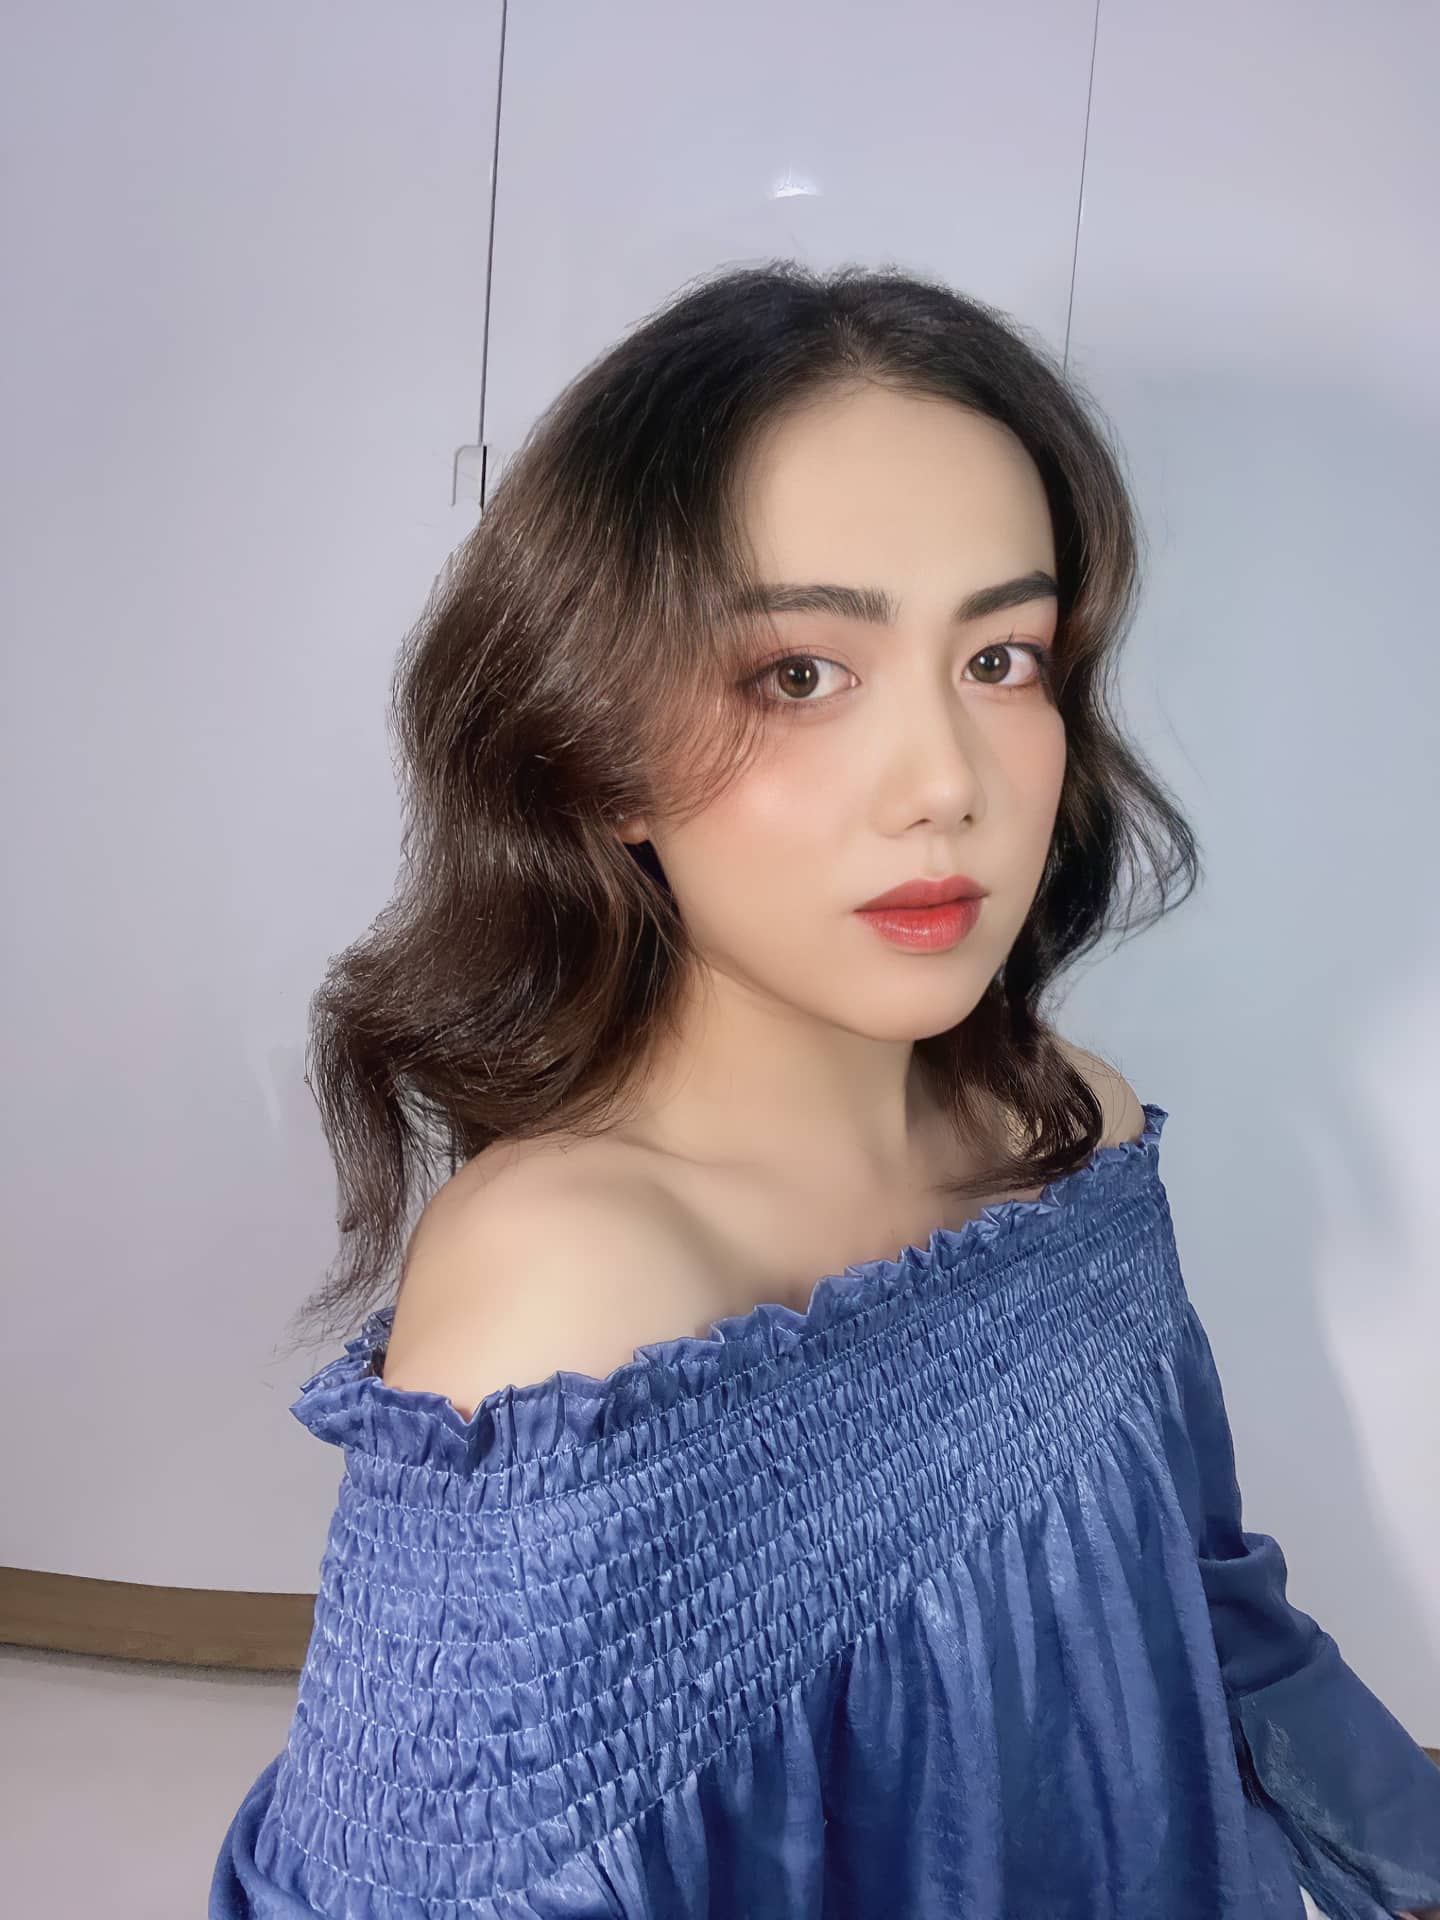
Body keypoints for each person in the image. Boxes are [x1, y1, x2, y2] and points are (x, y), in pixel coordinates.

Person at [209, 262, 1440, 1918]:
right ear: (599, 746)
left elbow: (1203, 1614)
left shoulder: (1069, 1131)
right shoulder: (573, 1295)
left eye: (1002, 659)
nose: (946, 785)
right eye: (799, 673)